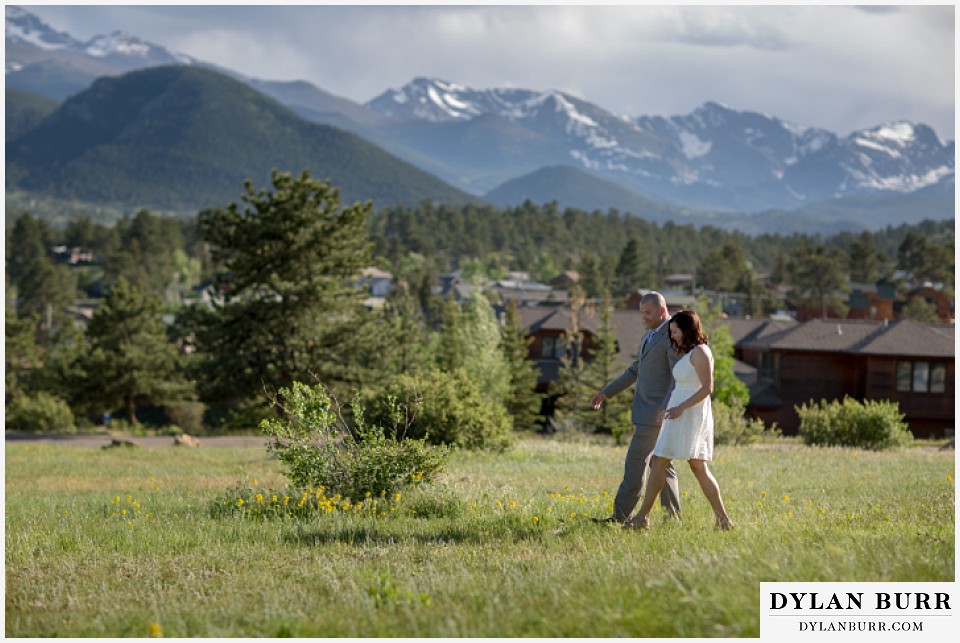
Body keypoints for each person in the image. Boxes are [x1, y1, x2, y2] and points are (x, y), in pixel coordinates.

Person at [626, 310, 733, 531]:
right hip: (677, 412)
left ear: (686, 330)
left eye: (675, 331)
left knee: (681, 464)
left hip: (689, 414)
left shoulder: (701, 352)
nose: (673, 336)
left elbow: (707, 388)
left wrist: (679, 408)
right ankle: (722, 520)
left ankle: (642, 518)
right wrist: (669, 407)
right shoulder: (689, 353)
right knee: (672, 463)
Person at [591, 291, 681, 524]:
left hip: (656, 414)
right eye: (641, 313)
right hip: (648, 412)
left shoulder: (671, 335)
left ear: (662, 311)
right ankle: (672, 518)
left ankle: (621, 516)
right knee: (661, 463)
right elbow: (634, 370)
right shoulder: (649, 336)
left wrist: (665, 407)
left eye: (648, 313)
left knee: (636, 461)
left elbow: (677, 375)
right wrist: (606, 392)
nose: (644, 317)